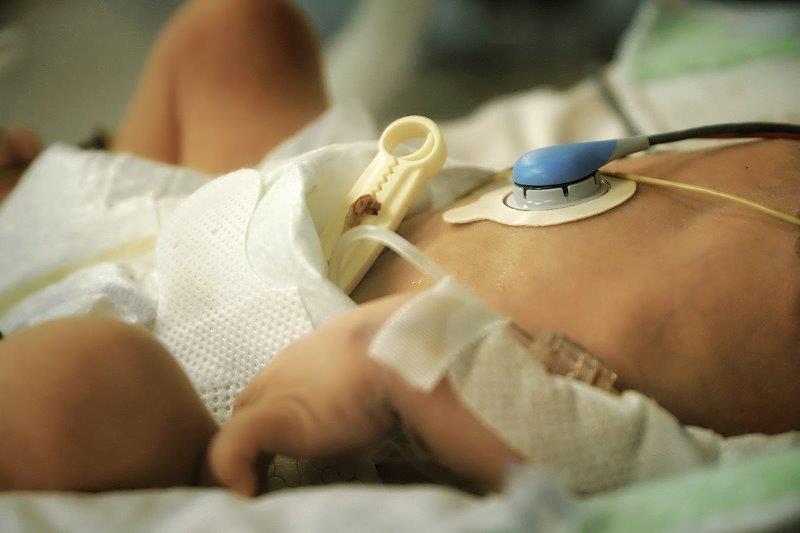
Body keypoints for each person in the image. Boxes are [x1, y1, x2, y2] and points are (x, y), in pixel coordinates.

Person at [0, 0, 797, 495]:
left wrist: (406, 364)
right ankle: (41, 213)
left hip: (254, 320)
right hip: (281, 283)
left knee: (74, 388)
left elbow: (689, 481)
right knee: (231, 29)